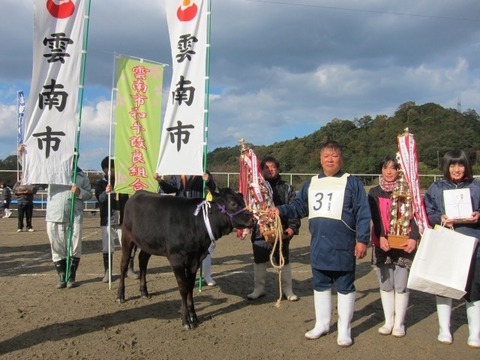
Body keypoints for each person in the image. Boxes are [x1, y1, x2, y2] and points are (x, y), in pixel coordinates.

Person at [272, 140, 371, 347]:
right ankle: (322, 324)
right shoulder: (311, 183)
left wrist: (362, 240)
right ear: (320, 159)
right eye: (326, 156)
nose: (330, 159)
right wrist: (280, 210)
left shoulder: (352, 182)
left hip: (344, 244)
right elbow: (299, 207)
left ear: (341, 159)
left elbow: (363, 213)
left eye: (334, 156)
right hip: (318, 245)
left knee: (345, 286)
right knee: (320, 285)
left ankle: (344, 329)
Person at [424, 149, 480, 348]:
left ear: (467, 166)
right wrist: (439, 217)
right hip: (446, 243)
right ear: (446, 167)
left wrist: (478, 214)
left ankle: (475, 332)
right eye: (452, 165)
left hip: (473, 244)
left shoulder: (476, 185)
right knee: (444, 286)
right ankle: (444, 328)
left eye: (460, 164)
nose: (456, 169)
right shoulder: (436, 187)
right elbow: (428, 209)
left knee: (474, 288)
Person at [368, 155, 419, 337]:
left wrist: (413, 237)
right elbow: (375, 217)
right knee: (386, 283)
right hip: (382, 242)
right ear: (381, 170)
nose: (389, 171)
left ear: (399, 170)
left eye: (393, 168)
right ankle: (388, 321)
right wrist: (381, 236)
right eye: (385, 167)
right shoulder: (374, 192)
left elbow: (417, 217)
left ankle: (399, 323)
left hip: (404, 243)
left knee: (401, 283)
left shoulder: (409, 190)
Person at [247, 156, 301, 301]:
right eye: (266, 167)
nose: (270, 170)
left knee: (283, 259)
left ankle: (287, 290)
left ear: (278, 169)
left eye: (273, 167)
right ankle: (259, 289)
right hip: (261, 230)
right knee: (259, 259)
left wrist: (292, 227)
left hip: (281, 229)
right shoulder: (255, 188)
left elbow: (294, 208)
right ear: (261, 170)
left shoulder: (287, 188)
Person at [154, 172, 217, 286]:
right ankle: (185, 275)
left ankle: (207, 275)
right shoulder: (178, 174)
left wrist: (207, 180)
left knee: (205, 246)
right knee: (184, 246)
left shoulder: (202, 170)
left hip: (198, 214)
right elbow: (169, 188)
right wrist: (160, 181)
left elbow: (212, 187)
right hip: (181, 215)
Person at [46, 162, 92, 289]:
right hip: (54, 214)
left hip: (74, 215)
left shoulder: (81, 175)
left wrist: (79, 191)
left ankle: (71, 275)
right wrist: (22, 156)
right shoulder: (51, 169)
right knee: (56, 245)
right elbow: (33, 169)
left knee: (75, 246)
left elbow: (89, 193)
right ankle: (61, 275)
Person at [95, 156, 137, 283]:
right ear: (104, 169)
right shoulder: (101, 184)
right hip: (107, 219)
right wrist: (106, 192)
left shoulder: (123, 182)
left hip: (123, 220)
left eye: (113, 168)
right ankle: (108, 271)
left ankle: (129, 268)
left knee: (128, 245)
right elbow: (100, 199)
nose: (111, 170)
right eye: (108, 168)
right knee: (107, 247)